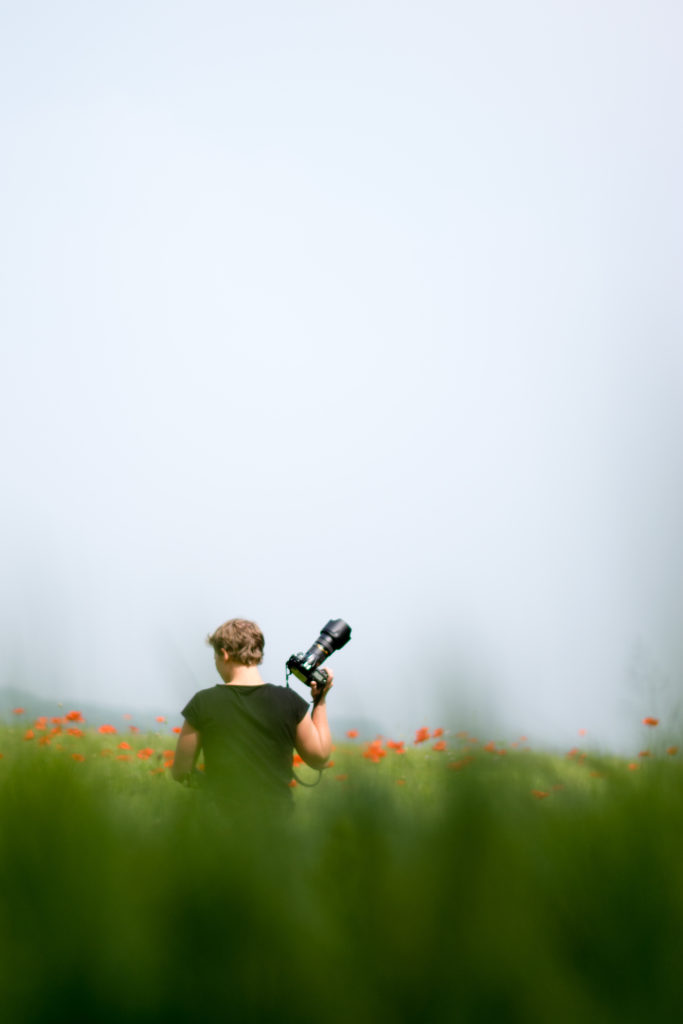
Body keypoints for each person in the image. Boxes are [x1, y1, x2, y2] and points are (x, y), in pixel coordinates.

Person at [171, 618, 333, 812]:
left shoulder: (203, 702)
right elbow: (319, 757)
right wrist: (320, 700)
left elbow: (181, 772)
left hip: (219, 825)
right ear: (258, 654)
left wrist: (216, 788)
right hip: (277, 824)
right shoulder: (289, 700)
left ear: (224, 654)